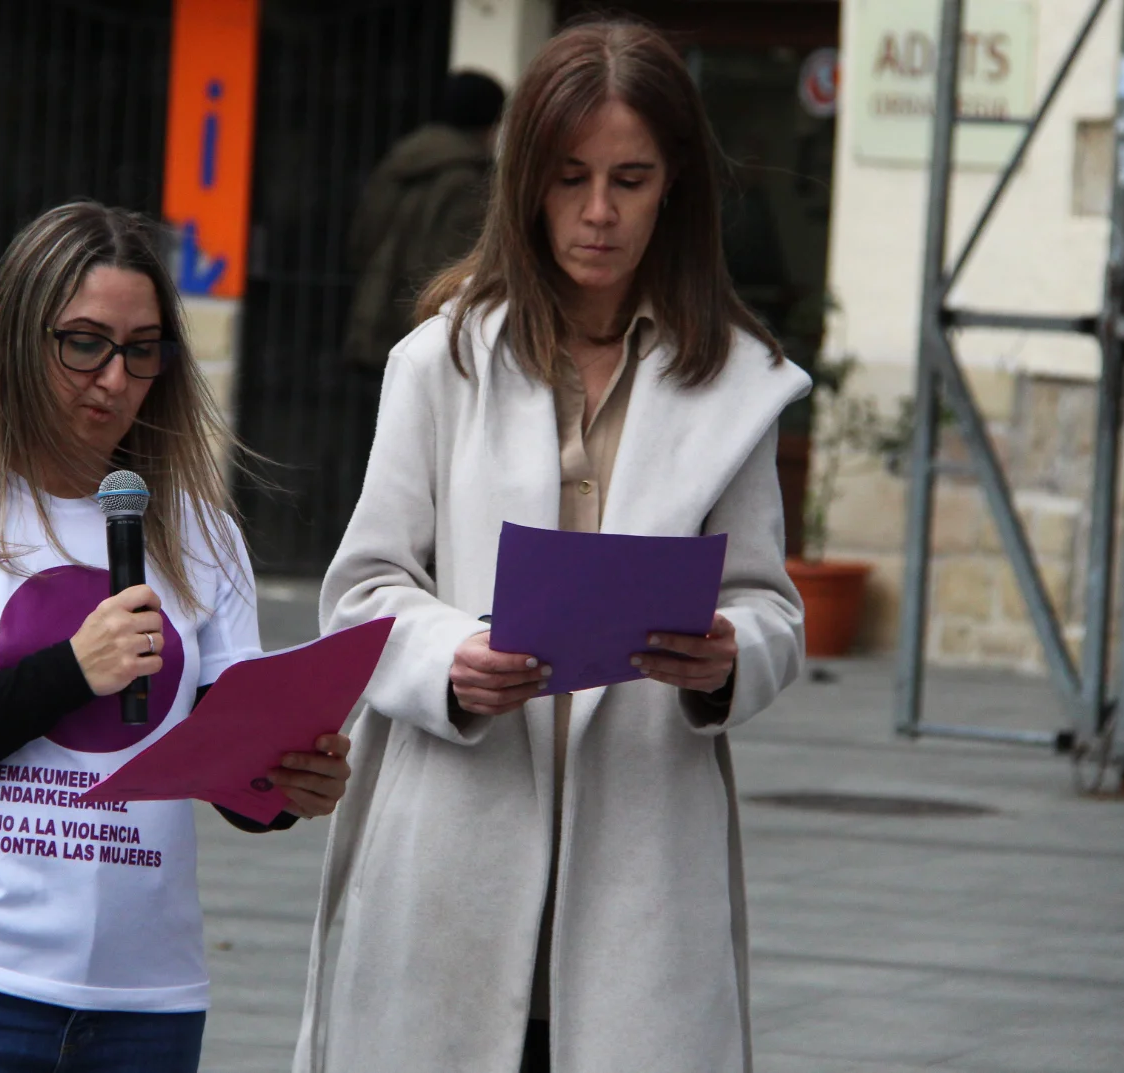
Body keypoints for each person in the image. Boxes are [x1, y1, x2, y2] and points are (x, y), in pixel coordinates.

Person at [297, 20, 810, 1073]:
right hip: (454, 850)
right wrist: (450, 657)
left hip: (641, 862)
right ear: (525, 180)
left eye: (631, 178)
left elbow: (770, 607)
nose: (599, 211)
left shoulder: (737, 382)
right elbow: (362, 589)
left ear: (675, 186)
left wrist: (729, 657)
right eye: (571, 177)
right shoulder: (439, 361)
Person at [0, 202, 353, 1072]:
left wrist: (290, 784)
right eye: (85, 343)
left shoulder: (202, 533)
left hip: (144, 1006)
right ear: (17, 340)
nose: (114, 378)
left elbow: (231, 769)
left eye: (142, 350)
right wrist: (70, 669)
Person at [342, 70, 507, 373]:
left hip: (374, 322)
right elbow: (458, 267)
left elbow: (361, 240)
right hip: (422, 333)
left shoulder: (398, 164)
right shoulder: (469, 180)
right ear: (491, 122)